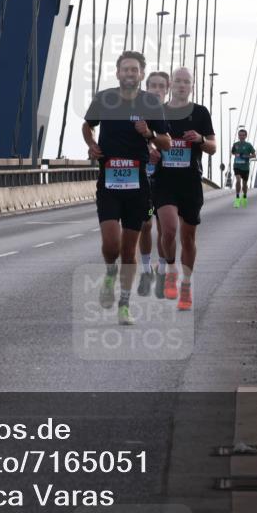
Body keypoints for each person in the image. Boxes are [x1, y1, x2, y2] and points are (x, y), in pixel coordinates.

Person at [82, 51, 171, 325]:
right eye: (125, 69)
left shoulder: (150, 103)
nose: (130, 74)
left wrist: (149, 135)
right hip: (108, 182)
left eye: (135, 70)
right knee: (111, 244)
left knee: (129, 251)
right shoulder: (104, 99)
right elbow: (88, 126)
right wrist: (91, 144)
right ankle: (110, 275)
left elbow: (166, 142)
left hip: (137, 185)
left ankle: (124, 304)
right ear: (118, 72)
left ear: (142, 74)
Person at [152, 67, 216, 311]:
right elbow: (147, 139)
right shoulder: (159, 111)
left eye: (185, 82)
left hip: (190, 182)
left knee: (188, 238)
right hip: (164, 181)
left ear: (192, 86)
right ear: (170, 85)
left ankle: (186, 286)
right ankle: (170, 270)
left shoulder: (200, 113)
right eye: (177, 81)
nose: (181, 85)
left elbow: (213, 147)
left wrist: (200, 139)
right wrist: (152, 152)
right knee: (168, 229)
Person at [138, 70, 170, 298]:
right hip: (144, 178)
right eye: (153, 86)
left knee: (165, 228)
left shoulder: (173, 114)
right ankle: (146, 268)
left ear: (167, 90)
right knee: (145, 225)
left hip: (168, 180)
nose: (157, 91)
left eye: (162, 87)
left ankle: (163, 270)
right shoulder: (137, 113)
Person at [230, 129, 255, 208]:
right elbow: (233, 152)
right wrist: (236, 154)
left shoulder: (248, 145)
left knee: (244, 185)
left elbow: (254, 155)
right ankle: (237, 198)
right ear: (238, 136)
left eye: (243, 135)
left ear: (245, 136)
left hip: (245, 167)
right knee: (238, 180)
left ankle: (244, 196)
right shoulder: (235, 144)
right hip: (237, 166)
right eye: (240, 135)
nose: (241, 136)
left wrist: (246, 156)